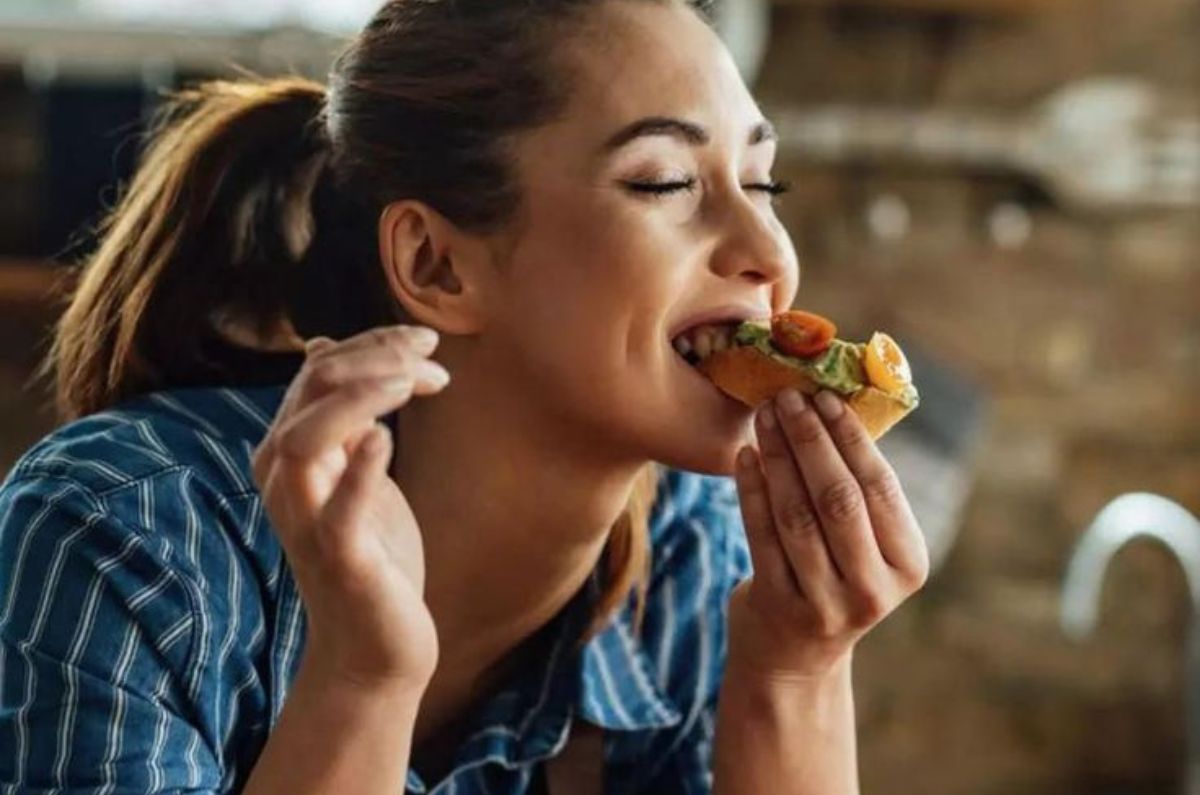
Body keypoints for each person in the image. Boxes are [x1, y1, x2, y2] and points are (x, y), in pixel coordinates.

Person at [0, 0, 930, 792]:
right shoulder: (124, 534)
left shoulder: (697, 554)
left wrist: (798, 672)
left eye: (763, 180)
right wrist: (364, 677)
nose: (770, 256)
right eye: (666, 181)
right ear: (435, 264)